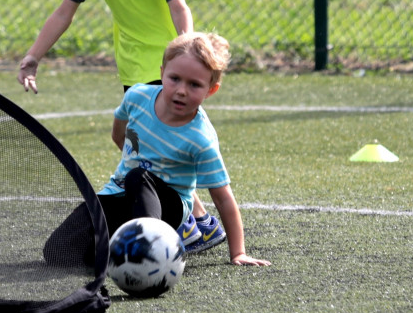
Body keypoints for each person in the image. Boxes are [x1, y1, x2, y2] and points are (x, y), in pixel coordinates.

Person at [17, 0, 222, 252]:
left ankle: (190, 223)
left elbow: (179, 5)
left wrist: (189, 48)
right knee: (140, 144)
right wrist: (33, 56)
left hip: (166, 68)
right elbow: (65, 11)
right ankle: (198, 220)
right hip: (132, 66)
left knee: (157, 144)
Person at [43, 33, 271, 268]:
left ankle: (152, 246)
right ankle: (119, 253)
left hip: (167, 207)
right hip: (118, 193)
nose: (182, 90)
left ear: (210, 90)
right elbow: (118, 133)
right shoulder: (137, 97)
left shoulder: (201, 138)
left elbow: (223, 198)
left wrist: (238, 253)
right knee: (57, 252)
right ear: (162, 73)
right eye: (175, 79)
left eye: (194, 85)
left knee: (138, 176)